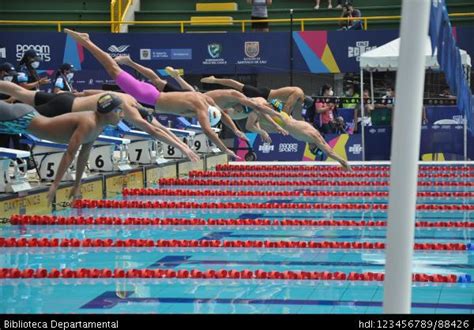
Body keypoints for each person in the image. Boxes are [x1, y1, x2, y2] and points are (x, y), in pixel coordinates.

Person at [65, 29, 239, 159]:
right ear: (208, 114)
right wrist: (225, 149)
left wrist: (236, 130)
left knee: (115, 94)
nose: (200, 118)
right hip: (148, 97)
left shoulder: (204, 98)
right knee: (113, 70)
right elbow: (208, 131)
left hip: (149, 97)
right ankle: (87, 42)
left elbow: (221, 112)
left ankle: (80, 94)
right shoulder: (202, 107)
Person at [0, 80, 200, 162]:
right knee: (14, 115)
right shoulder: (127, 108)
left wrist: (181, 143)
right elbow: (154, 130)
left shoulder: (126, 97)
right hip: (63, 109)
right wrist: (183, 149)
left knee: (20, 92)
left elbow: (161, 128)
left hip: (68, 98)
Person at [0, 93, 123, 204]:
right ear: (108, 112)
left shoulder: (98, 126)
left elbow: (84, 155)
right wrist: (55, 184)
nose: (122, 115)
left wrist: (77, 184)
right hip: (21, 118)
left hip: (22, 124)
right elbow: (70, 154)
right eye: (119, 110)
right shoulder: (89, 123)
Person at [244, 97, 351, 171]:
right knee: (255, 115)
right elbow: (329, 152)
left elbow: (327, 149)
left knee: (258, 112)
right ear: (314, 147)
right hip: (287, 122)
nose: (309, 150)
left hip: (288, 119)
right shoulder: (312, 137)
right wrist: (343, 162)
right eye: (312, 150)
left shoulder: (313, 133)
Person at [200, 75, 313, 117]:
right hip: (263, 94)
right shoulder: (298, 92)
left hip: (269, 99)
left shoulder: (297, 95)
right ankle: (214, 79)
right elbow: (287, 107)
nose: (300, 105)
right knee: (237, 86)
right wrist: (287, 118)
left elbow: (285, 107)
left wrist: (285, 115)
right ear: (304, 100)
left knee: (237, 102)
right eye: (302, 104)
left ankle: (221, 110)